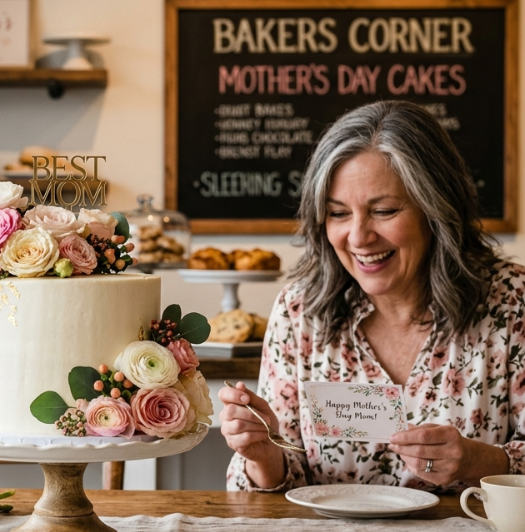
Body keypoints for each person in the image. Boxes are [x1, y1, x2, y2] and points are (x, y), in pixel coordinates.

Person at [219, 100, 524, 493]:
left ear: (437, 210)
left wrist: (481, 461)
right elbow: (278, 483)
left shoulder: (511, 303)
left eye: (383, 210)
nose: (359, 237)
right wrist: (263, 455)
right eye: (338, 213)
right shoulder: (300, 312)